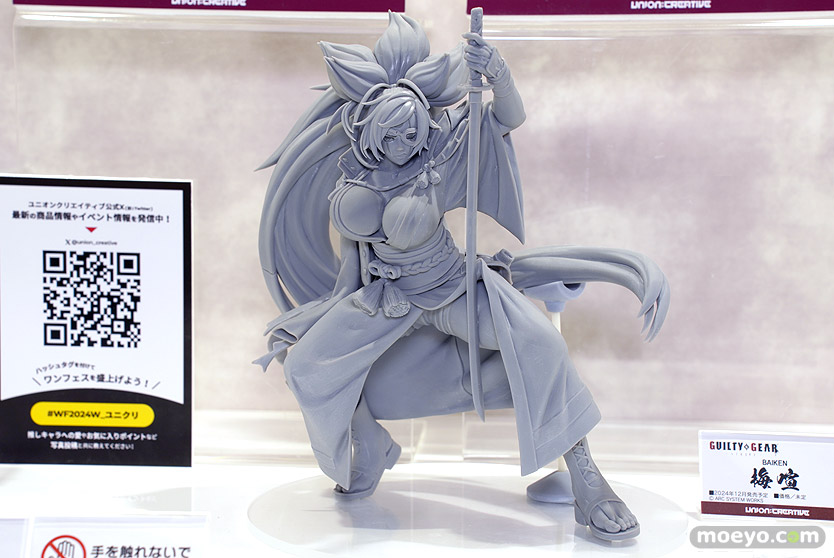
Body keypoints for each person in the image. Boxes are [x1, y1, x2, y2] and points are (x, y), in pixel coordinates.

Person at [256, 12, 669, 541]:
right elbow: (353, 259)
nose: (403, 141)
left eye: (411, 130)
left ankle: (587, 477)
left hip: (452, 288)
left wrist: (499, 76)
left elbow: (508, 118)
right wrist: (335, 306)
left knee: (542, 345)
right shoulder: (351, 175)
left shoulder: (442, 159)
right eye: (392, 132)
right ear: (371, 128)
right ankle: (369, 443)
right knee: (304, 365)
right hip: (386, 297)